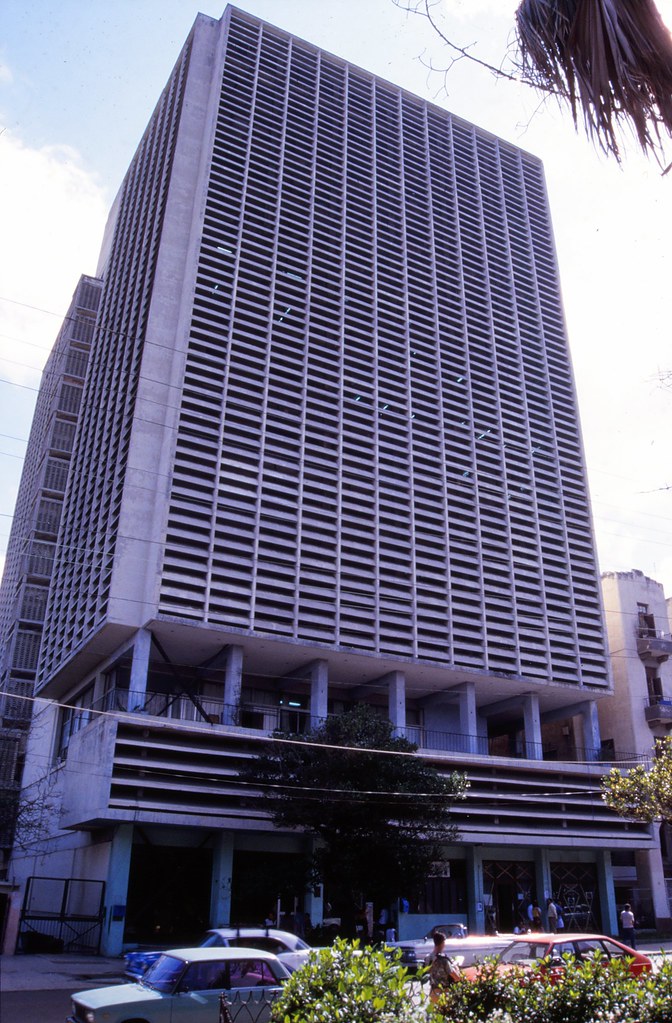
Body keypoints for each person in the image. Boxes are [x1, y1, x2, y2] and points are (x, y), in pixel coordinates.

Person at [427, 931, 462, 1003]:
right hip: (444, 993)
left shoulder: (427, 958)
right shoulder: (444, 960)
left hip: (433, 992)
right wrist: (456, 968)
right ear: (443, 943)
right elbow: (457, 977)